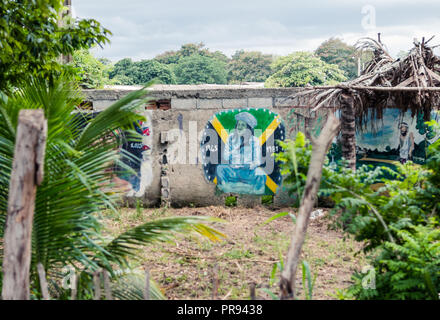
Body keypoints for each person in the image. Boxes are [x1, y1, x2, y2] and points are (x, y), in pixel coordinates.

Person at [216, 112, 266, 194]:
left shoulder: (254, 140)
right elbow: (225, 157)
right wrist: (237, 148)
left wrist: (250, 166)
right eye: (238, 124)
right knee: (220, 168)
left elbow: (258, 161)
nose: (239, 127)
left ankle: (254, 191)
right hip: (233, 171)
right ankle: (227, 189)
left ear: (248, 128)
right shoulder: (231, 138)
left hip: (248, 173)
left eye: (243, 125)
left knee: (261, 173)